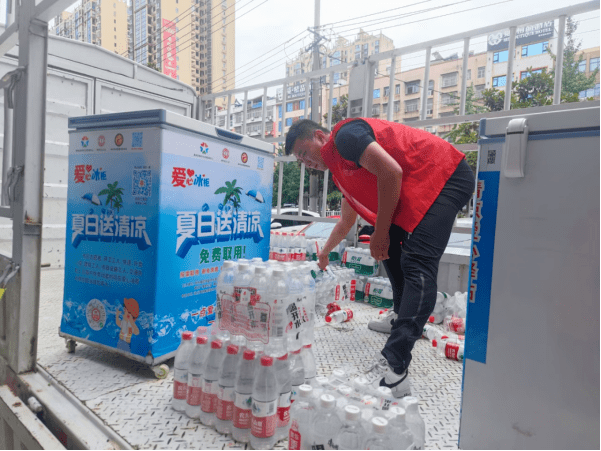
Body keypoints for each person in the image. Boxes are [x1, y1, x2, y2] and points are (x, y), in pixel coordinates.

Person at [286, 118, 474, 398]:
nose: (305, 163)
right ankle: (401, 316)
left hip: (445, 175)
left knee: (417, 261)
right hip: (419, 183)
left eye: (303, 153)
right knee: (389, 248)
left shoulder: (346, 137)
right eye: (299, 160)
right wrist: (325, 253)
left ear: (319, 137)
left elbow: (391, 171)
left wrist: (382, 231)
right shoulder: (340, 172)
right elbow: (345, 222)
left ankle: (397, 369)